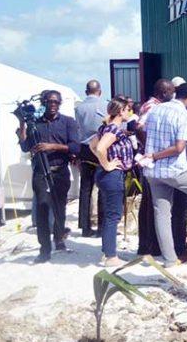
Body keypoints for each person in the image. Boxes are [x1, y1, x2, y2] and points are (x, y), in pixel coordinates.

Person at [143, 82, 187, 266]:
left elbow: (139, 129)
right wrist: (156, 154)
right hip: (175, 170)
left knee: (162, 213)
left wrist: (151, 154)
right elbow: (179, 147)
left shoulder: (155, 110)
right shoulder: (184, 115)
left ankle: (169, 259)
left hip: (153, 171)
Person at [18, 90, 80, 263]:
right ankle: (44, 249)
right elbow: (25, 146)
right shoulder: (36, 123)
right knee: (43, 208)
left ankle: (59, 239)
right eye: (49, 101)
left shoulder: (68, 122)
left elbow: (75, 147)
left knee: (60, 208)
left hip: (60, 170)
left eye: (56, 102)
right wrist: (22, 124)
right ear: (44, 102)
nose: (53, 104)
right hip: (40, 172)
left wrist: (52, 146)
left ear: (60, 103)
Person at [90, 97, 135, 267]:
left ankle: (107, 251)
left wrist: (104, 162)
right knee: (113, 215)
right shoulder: (114, 130)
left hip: (107, 175)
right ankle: (110, 256)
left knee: (110, 213)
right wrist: (108, 164)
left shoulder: (104, 128)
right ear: (121, 111)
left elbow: (92, 146)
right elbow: (100, 148)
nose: (129, 112)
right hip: (112, 175)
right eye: (127, 109)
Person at [135, 79, 175, 257]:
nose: (173, 95)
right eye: (171, 92)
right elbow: (140, 127)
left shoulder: (151, 105)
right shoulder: (153, 107)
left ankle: (146, 245)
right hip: (152, 160)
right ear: (164, 93)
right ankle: (151, 246)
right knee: (153, 205)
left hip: (150, 159)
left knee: (149, 203)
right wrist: (150, 148)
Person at [74, 80, 108, 237]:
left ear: (86, 91)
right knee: (103, 188)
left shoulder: (78, 107)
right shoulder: (105, 106)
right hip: (101, 147)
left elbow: (79, 128)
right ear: (99, 91)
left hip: (85, 148)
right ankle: (102, 226)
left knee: (85, 188)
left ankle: (85, 227)